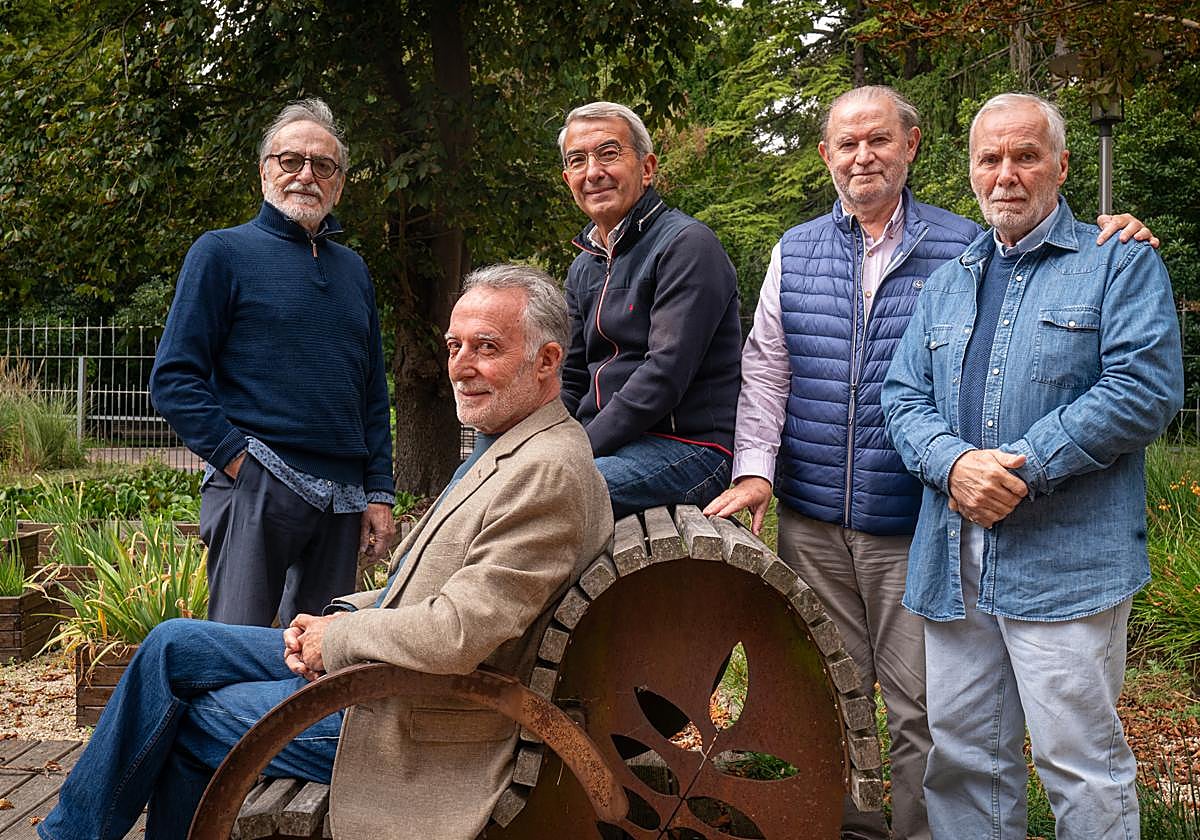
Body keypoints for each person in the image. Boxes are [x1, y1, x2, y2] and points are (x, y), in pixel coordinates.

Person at [704, 85, 1156, 840]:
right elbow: (804, 376)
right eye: (846, 143)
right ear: (825, 156)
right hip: (852, 521)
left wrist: (1009, 466)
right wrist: (761, 467)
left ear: (913, 147)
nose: (862, 156)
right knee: (901, 723)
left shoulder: (1008, 253)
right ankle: (851, 827)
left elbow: (1138, 386)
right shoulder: (830, 254)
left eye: (879, 139)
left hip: (939, 532)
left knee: (991, 735)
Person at [39, 265, 614, 840]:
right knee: (172, 646)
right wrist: (336, 619)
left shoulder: (547, 473)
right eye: (454, 345)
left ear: (545, 361)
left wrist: (334, 644)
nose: (462, 367)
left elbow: (460, 631)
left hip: (418, 716)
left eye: (487, 348)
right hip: (389, 672)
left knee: (194, 722)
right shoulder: (518, 446)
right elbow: (430, 592)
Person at [882, 93, 1182, 840]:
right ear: (972, 172)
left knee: (1078, 762)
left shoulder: (1119, 264)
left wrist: (1019, 467)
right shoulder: (947, 281)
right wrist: (953, 467)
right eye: (990, 159)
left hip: (1067, 560)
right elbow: (901, 394)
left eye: (1025, 156)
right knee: (963, 760)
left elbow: (1143, 389)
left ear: (1061, 166)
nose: (1006, 174)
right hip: (953, 561)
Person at [150, 98, 395, 627]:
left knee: (319, 667)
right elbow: (174, 379)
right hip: (256, 488)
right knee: (237, 652)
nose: (306, 175)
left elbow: (372, 392)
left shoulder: (354, 271)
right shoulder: (220, 253)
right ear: (265, 170)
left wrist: (379, 493)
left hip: (343, 503)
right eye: (291, 161)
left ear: (340, 183)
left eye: (323, 165)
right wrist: (242, 464)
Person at [559, 101, 742, 519]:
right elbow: (569, 378)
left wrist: (575, 450)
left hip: (688, 450)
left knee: (547, 498)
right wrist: (541, 443)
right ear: (567, 178)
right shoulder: (584, 264)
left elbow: (664, 375)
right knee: (478, 484)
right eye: (578, 160)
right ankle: (411, 587)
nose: (593, 172)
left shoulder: (687, 246)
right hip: (609, 445)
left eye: (608, 153)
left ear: (646, 167)